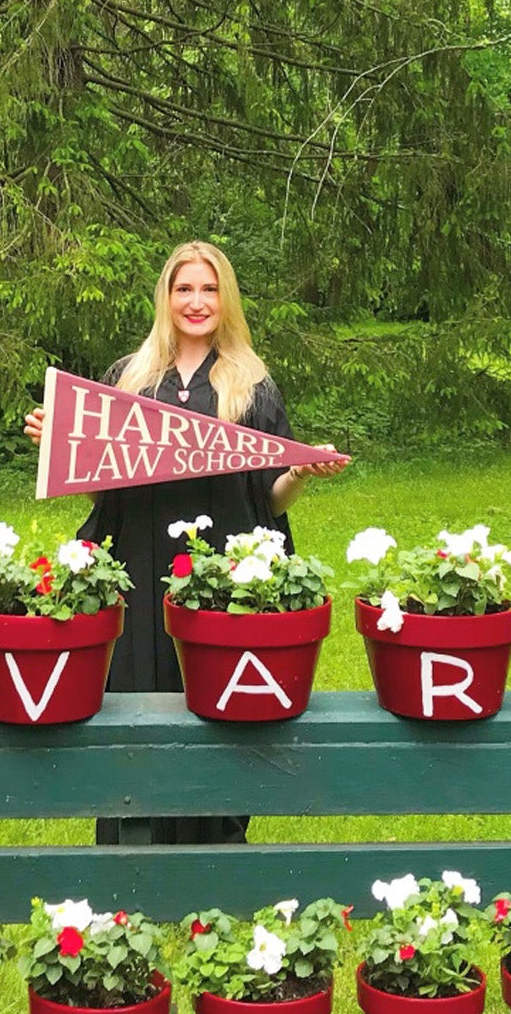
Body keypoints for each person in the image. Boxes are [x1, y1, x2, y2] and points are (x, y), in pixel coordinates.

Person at [23, 240, 344, 846]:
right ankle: (131, 841)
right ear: (166, 298)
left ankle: (216, 842)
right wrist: (59, 447)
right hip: (140, 565)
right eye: (184, 289)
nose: (196, 302)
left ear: (226, 300)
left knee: (216, 696)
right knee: (135, 693)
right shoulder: (129, 379)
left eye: (209, 289)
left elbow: (265, 500)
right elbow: (104, 492)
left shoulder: (253, 386)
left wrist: (300, 472)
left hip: (220, 570)